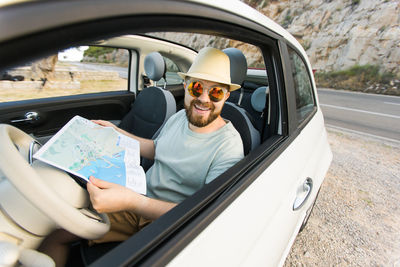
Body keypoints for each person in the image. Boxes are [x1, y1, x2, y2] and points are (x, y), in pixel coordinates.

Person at [39, 47, 244, 265]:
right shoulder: (179, 118)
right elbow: (156, 148)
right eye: (196, 87)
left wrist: (133, 201)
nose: (203, 99)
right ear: (185, 86)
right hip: (136, 202)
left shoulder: (229, 147)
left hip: (173, 225)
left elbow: (205, 214)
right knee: (55, 233)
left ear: (226, 96)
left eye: (215, 92)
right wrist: (115, 132)